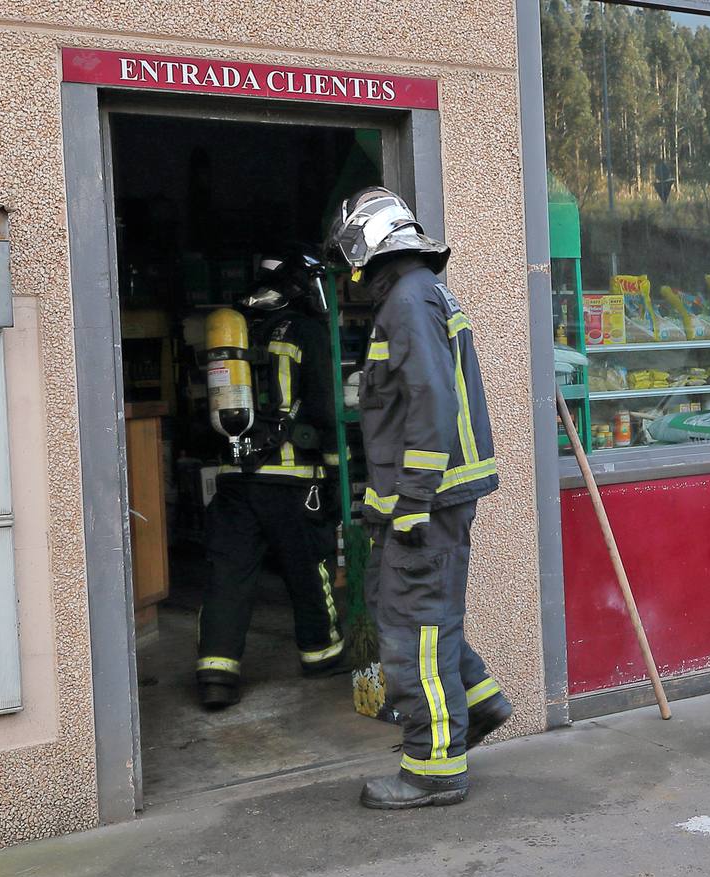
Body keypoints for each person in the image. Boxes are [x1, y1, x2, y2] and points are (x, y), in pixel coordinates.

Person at [326, 187, 512, 809]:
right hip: (432, 498)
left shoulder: (407, 300)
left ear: (366, 248)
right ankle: (480, 704)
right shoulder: (422, 293)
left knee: (415, 633)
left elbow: (431, 403)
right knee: (425, 616)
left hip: (425, 504)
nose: (348, 273)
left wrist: (410, 501)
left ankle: (432, 771)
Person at [195, 252, 344, 709]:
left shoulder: (235, 333)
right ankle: (320, 653)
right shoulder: (307, 332)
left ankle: (217, 673)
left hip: (235, 481)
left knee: (228, 575)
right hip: (295, 482)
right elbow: (324, 410)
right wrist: (336, 472)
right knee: (309, 567)